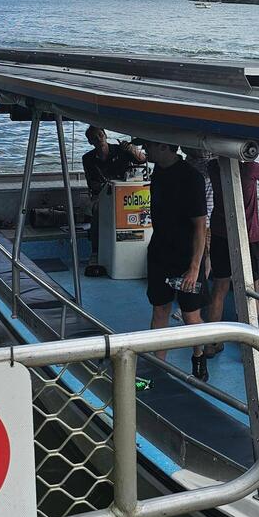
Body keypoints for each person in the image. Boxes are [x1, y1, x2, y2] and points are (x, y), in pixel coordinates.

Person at [141, 140, 210, 379]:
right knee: (159, 309)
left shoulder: (191, 178)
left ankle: (199, 355)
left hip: (186, 255)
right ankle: (157, 366)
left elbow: (200, 226)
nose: (145, 151)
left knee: (191, 315)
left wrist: (194, 267)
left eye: (148, 146)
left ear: (163, 147)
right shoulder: (158, 171)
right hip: (161, 252)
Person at [204, 148, 259, 357]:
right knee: (252, 290)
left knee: (219, 288)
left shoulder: (214, 167)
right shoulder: (249, 170)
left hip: (221, 234)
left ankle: (211, 342)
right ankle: (251, 343)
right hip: (248, 236)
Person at [81, 126, 145, 276]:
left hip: (127, 194)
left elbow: (142, 160)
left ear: (105, 135)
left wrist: (130, 149)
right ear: (90, 142)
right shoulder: (88, 158)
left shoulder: (121, 150)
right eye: (94, 138)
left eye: (100, 135)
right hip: (103, 194)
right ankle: (96, 252)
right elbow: (92, 184)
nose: (99, 139)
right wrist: (107, 186)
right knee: (97, 209)